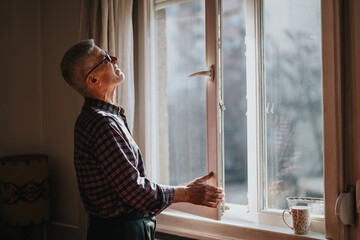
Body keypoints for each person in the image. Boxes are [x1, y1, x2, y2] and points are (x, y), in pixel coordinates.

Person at [60, 39, 224, 240]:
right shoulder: (102, 123)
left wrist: (185, 192)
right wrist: (187, 194)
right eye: (105, 58)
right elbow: (134, 191)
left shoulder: (105, 117)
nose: (114, 59)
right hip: (120, 233)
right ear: (93, 80)